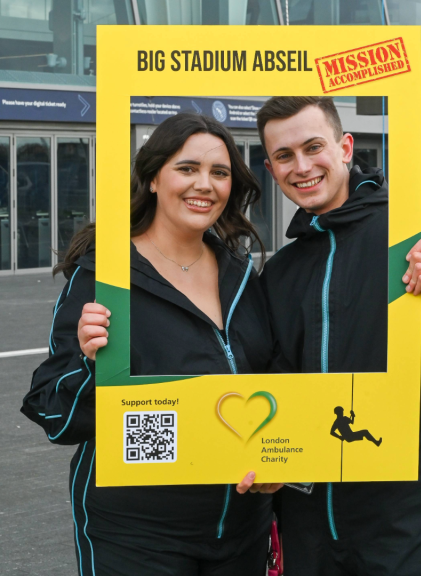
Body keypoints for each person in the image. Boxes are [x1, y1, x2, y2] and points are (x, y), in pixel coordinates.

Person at [241, 96, 421, 575]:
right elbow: (274, 385)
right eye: (284, 156)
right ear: (270, 167)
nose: (301, 167)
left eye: (313, 147)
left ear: (345, 147)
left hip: (405, 521)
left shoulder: (412, 230)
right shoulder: (280, 272)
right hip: (309, 526)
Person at [22, 113, 280, 575]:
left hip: (241, 529)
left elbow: (273, 385)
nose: (205, 184)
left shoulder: (242, 276)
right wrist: (87, 363)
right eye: (187, 168)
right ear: (154, 178)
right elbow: (55, 416)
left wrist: (281, 460)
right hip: (137, 536)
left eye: (219, 172)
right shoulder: (105, 276)